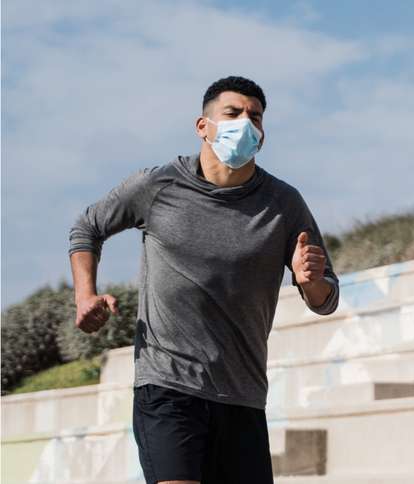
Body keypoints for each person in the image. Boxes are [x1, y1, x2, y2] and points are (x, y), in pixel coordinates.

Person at [69, 76, 339, 484]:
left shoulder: (283, 204)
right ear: (203, 126)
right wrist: (84, 295)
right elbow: (87, 227)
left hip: (243, 394)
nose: (245, 123)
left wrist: (310, 279)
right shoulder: (157, 185)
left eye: (256, 117)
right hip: (168, 386)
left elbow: (325, 298)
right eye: (233, 113)